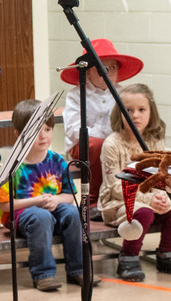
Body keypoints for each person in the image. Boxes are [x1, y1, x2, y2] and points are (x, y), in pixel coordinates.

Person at [98, 83, 171, 282]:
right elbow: (115, 187)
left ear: (151, 112)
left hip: (150, 201)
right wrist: (148, 200)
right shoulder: (111, 144)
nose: (135, 115)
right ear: (119, 112)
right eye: (128, 110)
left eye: (142, 110)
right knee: (143, 212)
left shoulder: (155, 140)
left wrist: (162, 196)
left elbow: (161, 176)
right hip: (118, 203)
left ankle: (167, 255)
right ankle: (128, 257)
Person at [0, 100, 85, 292]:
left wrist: (56, 199)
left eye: (48, 129)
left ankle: (78, 269)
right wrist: (37, 201)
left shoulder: (57, 160)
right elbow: (4, 206)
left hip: (51, 210)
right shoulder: (13, 166)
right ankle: (44, 274)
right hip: (21, 216)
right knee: (41, 216)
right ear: (19, 135)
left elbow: (69, 195)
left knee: (74, 213)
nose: (43, 136)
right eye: (36, 131)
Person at [61, 39, 143, 203]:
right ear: (88, 71)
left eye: (112, 67)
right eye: (101, 68)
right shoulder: (76, 95)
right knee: (98, 145)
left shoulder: (124, 93)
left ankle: (131, 196)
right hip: (85, 147)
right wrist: (108, 135)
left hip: (117, 142)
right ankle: (93, 199)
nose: (108, 72)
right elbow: (74, 131)